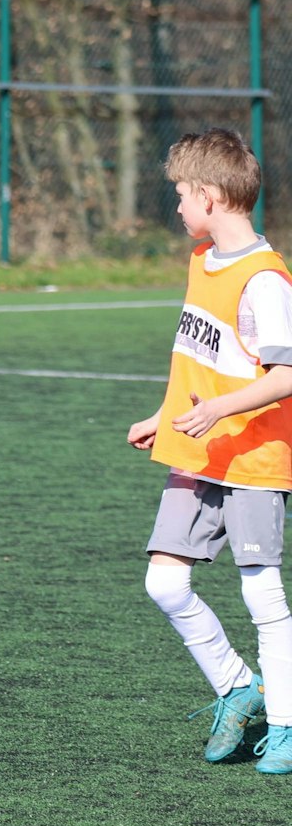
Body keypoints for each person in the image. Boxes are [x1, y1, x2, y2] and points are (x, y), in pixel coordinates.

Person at [130, 128, 292, 775]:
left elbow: (286, 373)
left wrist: (219, 409)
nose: (176, 207)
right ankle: (235, 684)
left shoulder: (265, 279)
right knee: (164, 582)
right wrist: (164, 414)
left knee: (261, 594)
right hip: (198, 450)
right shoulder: (203, 261)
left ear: (212, 195)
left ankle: (283, 724)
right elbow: (202, 361)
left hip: (254, 457)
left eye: (181, 194)